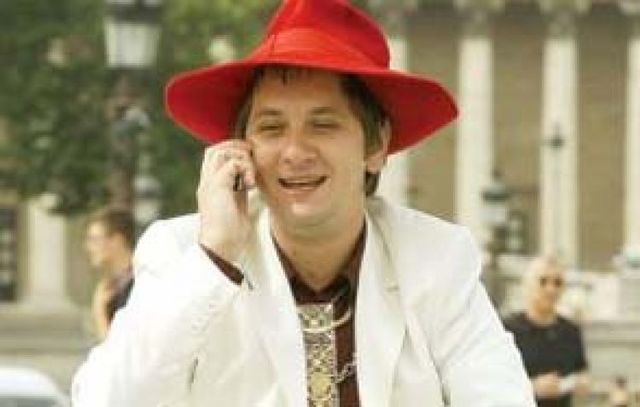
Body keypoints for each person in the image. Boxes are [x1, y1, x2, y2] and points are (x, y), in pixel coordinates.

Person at [72, 0, 535, 405]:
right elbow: (104, 400)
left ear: (376, 145)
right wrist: (215, 259)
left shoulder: (436, 257)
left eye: (323, 125)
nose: (294, 152)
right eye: (272, 128)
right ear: (241, 148)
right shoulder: (182, 254)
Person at [504, 256, 590, 406]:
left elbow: (581, 370)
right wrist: (532, 387)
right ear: (527, 285)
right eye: (543, 281)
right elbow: (493, 382)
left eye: (557, 283)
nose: (551, 289)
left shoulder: (570, 331)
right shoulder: (508, 330)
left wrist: (579, 383)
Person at [84, 207, 135, 340]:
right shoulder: (111, 287)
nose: (88, 247)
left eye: (94, 240)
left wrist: (99, 312)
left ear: (117, 241)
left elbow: (117, 348)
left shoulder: (138, 286)